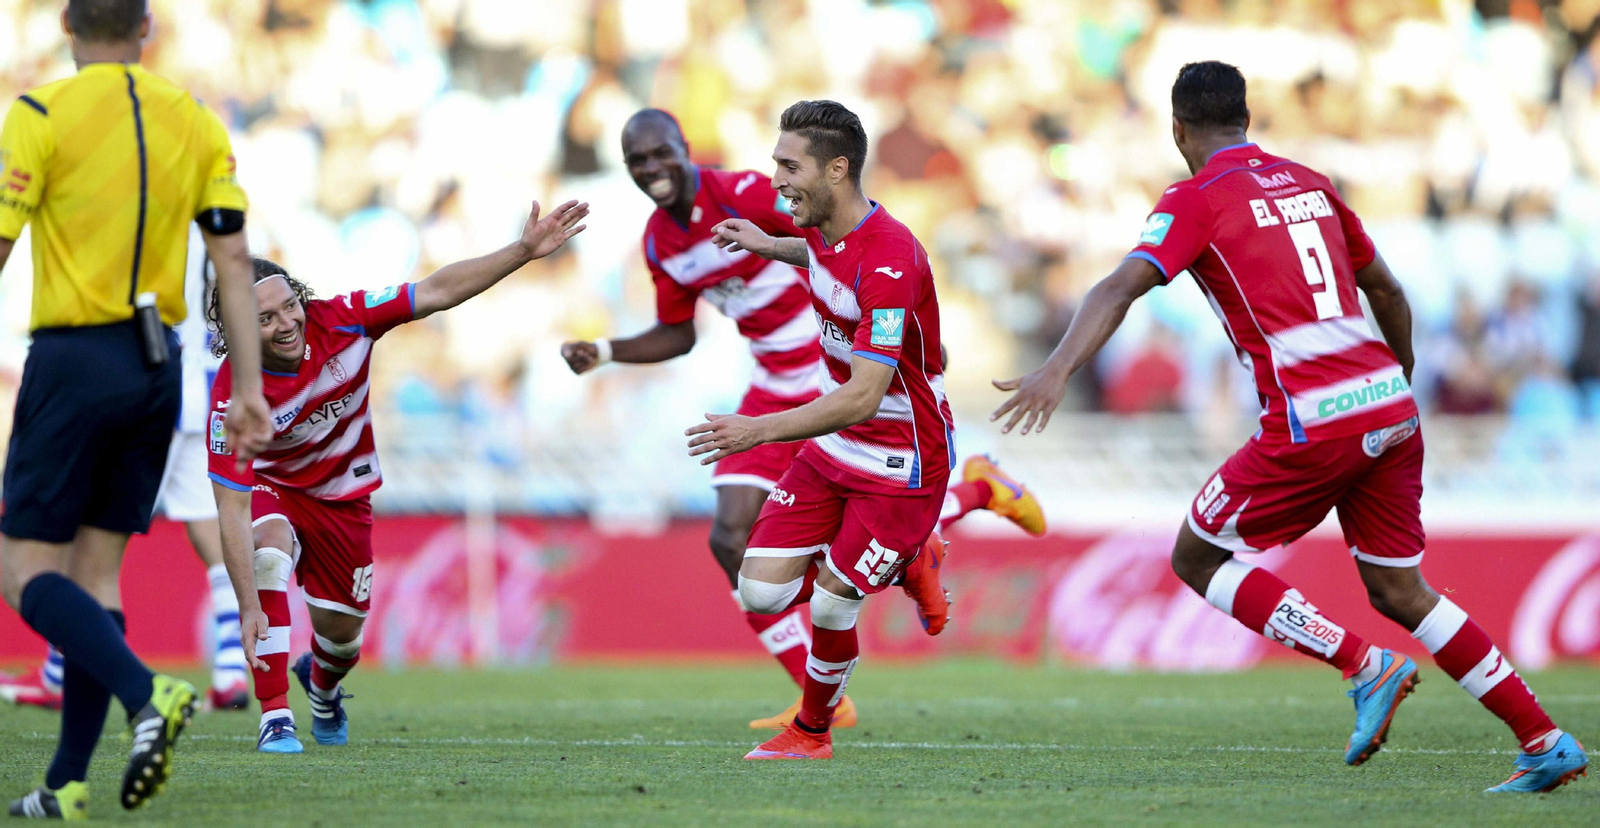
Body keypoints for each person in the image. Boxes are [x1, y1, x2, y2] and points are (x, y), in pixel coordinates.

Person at [992, 61, 1587, 793]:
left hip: (1315, 418)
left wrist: (1057, 368)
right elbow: (1388, 289)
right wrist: (1393, 380)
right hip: (1389, 409)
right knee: (1401, 589)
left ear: (1177, 129)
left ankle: (1364, 666)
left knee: (1197, 558)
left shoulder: (1195, 198)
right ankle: (1544, 739)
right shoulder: (1310, 181)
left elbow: (1121, 284)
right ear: (1246, 119)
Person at [0, 0, 272, 818]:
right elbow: (232, 257)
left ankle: (144, 689)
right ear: (147, 27)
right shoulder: (194, 120)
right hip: (165, 367)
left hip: (75, 357)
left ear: (66, 26)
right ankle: (66, 784)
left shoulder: (40, 113)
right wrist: (250, 386)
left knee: (21, 570)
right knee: (96, 573)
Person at [206, 199, 587, 754]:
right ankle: (274, 717)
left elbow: (433, 291)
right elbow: (232, 509)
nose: (287, 323)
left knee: (342, 640)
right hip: (275, 489)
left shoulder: (346, 319)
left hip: (342, 499)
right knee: (267, 554)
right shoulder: (230, 399)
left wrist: (523, 251)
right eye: (265, 319)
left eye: (289, 306)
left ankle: (323, 689)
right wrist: (246, 604)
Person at [692, 100, 951, 761]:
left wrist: (758, 431)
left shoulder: (891, 259)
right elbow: (824, 256)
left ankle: (811, 732)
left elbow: (865, 395)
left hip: (902, 460)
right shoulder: (824, 233)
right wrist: (767, 245)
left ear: (837, 170)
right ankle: (905, 563)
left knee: (833, 605)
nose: (775, 179)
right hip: (837, 447)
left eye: (788, 165)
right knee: (759, 588)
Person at [0, 227, 251, 714]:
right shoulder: (211, 213)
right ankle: (231, 672)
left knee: (80, 542)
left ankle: (60, 672)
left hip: (144, 376)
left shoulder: (149, 203)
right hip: (200, 384)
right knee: (211, 533)